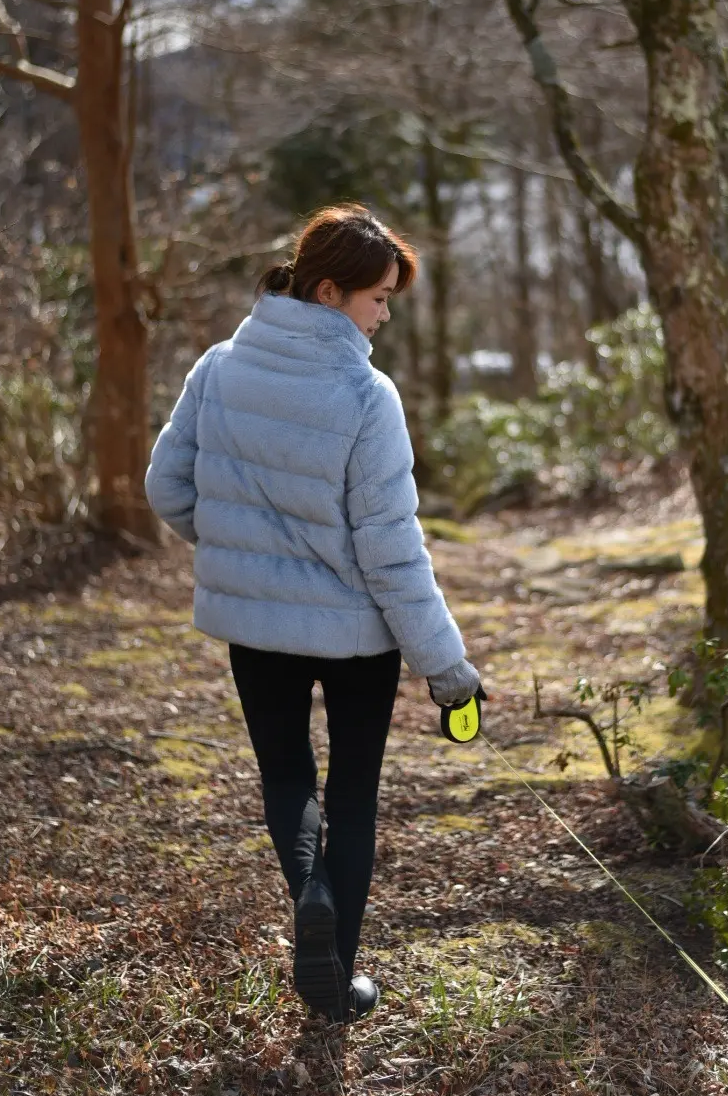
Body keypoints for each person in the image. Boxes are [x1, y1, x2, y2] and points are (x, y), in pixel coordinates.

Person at [144, 204, 482, 1024]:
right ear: (330, 291)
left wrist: (237, 549)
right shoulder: (366, 394)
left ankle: (309, 895)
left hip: (258, 634)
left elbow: (167, 489)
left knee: (287, 774)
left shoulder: (218, 366)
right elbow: (391, 550)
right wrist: (449, 672)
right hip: (358, 640)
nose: (386, 315)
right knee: (353, 789)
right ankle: (335, 974)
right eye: (377, 299)